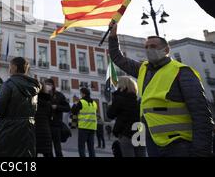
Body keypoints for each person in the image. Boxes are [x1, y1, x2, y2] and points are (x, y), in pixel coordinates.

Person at [109, 22, 214, 157]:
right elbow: (118, 58)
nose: (149, 50)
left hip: (179, 143)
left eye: (153, 46)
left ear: (166, 50)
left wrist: (201, 151)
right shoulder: (142, 69)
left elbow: (201, 113)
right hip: (153, 142)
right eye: (146, 47)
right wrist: (113, 36)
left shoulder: (182, 72)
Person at [0, 57, 40, 157]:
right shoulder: (34, 86)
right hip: (28, 129)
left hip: (9, 130)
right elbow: (35, 109)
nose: (9, 69)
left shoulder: (9, 84)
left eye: (9, 67)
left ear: (14, 67)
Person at [107, 76, 146, 157]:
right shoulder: (137, 100)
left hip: (126, 133)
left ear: (122, 86)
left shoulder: (120, 99)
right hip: (139, 132)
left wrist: (112, 102)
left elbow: (110, 115)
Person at [44, 78, 70, 157]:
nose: (47, 86)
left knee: (57, 148)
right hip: (46, 125)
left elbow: (67, 108)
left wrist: (57, 107)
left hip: (56, 126)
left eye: (49, 84)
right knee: (47, 149)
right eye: (46, 85)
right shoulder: (43, 95)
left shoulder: (59, 95)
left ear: (53, 85)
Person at [71, 87, 97, 157]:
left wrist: (75, 103)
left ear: (83, 94)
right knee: (91, 147)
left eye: (81, 93)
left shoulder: (81, 102)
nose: (80, 95)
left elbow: (73, 111)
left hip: (83, 127)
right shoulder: (94, 103)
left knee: (81, 147)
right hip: (92, 127)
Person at [35, 82, 53, 157]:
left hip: (35, 131)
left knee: (33, 152)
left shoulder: (33, 101)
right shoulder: (48, 102)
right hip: (46, 131)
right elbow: (50, 116)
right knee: (48, 153)